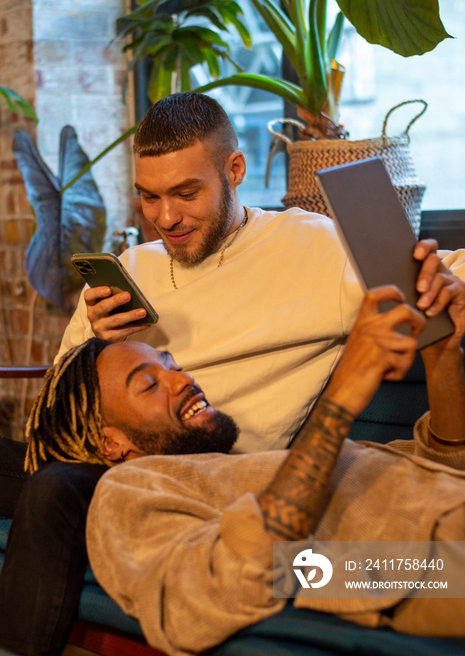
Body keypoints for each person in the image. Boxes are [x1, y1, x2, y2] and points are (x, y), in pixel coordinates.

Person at [0, 91, 464, 656]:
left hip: (207, 474)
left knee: (54, 489)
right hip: (120, 452)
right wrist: (96, 342)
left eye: (185, 193)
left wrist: (442, 302)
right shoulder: (132, 268)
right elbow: (60, 405)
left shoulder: (308, 249)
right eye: (149, 198)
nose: (165, 217)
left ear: (235, 171)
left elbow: (436, 275)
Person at [9, 281, 465, 656]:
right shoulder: (128, 492)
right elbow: (234, 583)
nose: (182, 379)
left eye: (170, 364)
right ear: (112, 442)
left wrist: (442, 354)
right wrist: (343, 394)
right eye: (149, 385)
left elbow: (445, 459)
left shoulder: (241, 471)